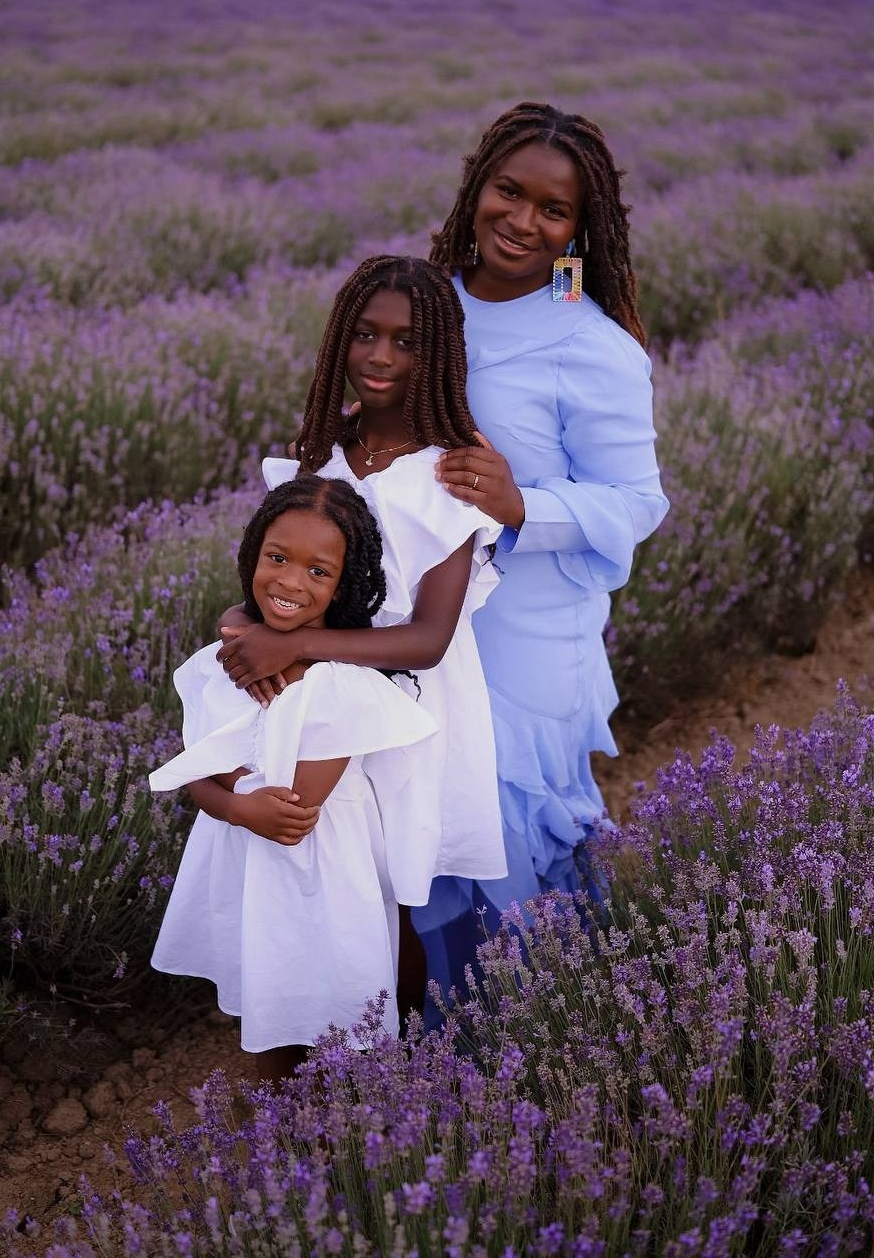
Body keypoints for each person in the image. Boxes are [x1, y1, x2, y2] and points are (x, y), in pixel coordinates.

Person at [415, 101, 669, 983]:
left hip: (523, 637)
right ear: (475, 188)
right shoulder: (425, 302)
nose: (522, 221)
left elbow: (636, 501)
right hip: (413, 627)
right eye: (507, 192)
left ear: (578, 228)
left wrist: (523, 503)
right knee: (421, 825)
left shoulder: (590, 344)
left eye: (552, 210)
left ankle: (541, 1037)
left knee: (510, 835)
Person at [216, 255, 509, 1013]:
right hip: (315, 704)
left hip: (408, 712)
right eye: (366, 335)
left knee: (389, 883)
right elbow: (271, 574)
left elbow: (428, 639)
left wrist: (295, 647)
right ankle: (303, 1033)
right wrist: (239, 625)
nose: (380, 357)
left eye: (407, 342)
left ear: (437, 354)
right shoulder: (320, 456)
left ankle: (394, 1050)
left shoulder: (447, 475)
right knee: (313, 863)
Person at [148, 476, 439, 1083]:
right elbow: (199, 772)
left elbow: (295, 811)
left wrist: (232, 792)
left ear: (344, 583)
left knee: (337, 985)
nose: (289, 581)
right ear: (254, 551)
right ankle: (276, 1108)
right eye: (277, 558)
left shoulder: (341, 682)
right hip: (248, 860)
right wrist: (232, 805)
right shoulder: (216, 665)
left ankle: (361, 1107)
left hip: (324, 869)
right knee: (269, 979)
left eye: (318, 572)